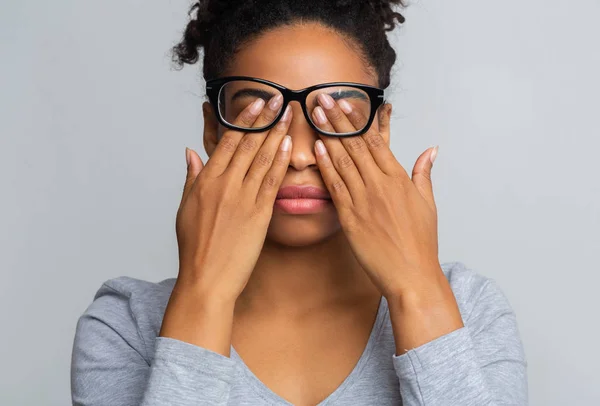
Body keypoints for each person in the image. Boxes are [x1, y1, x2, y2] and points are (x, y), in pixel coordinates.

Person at [70, 0, 528, 405]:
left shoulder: (469, 310)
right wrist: (203, 295)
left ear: (381, 128)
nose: (302, 155)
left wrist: (417, 291)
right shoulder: (125, 325)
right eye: (260, 115)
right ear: (213, 128)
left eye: (340, 115)